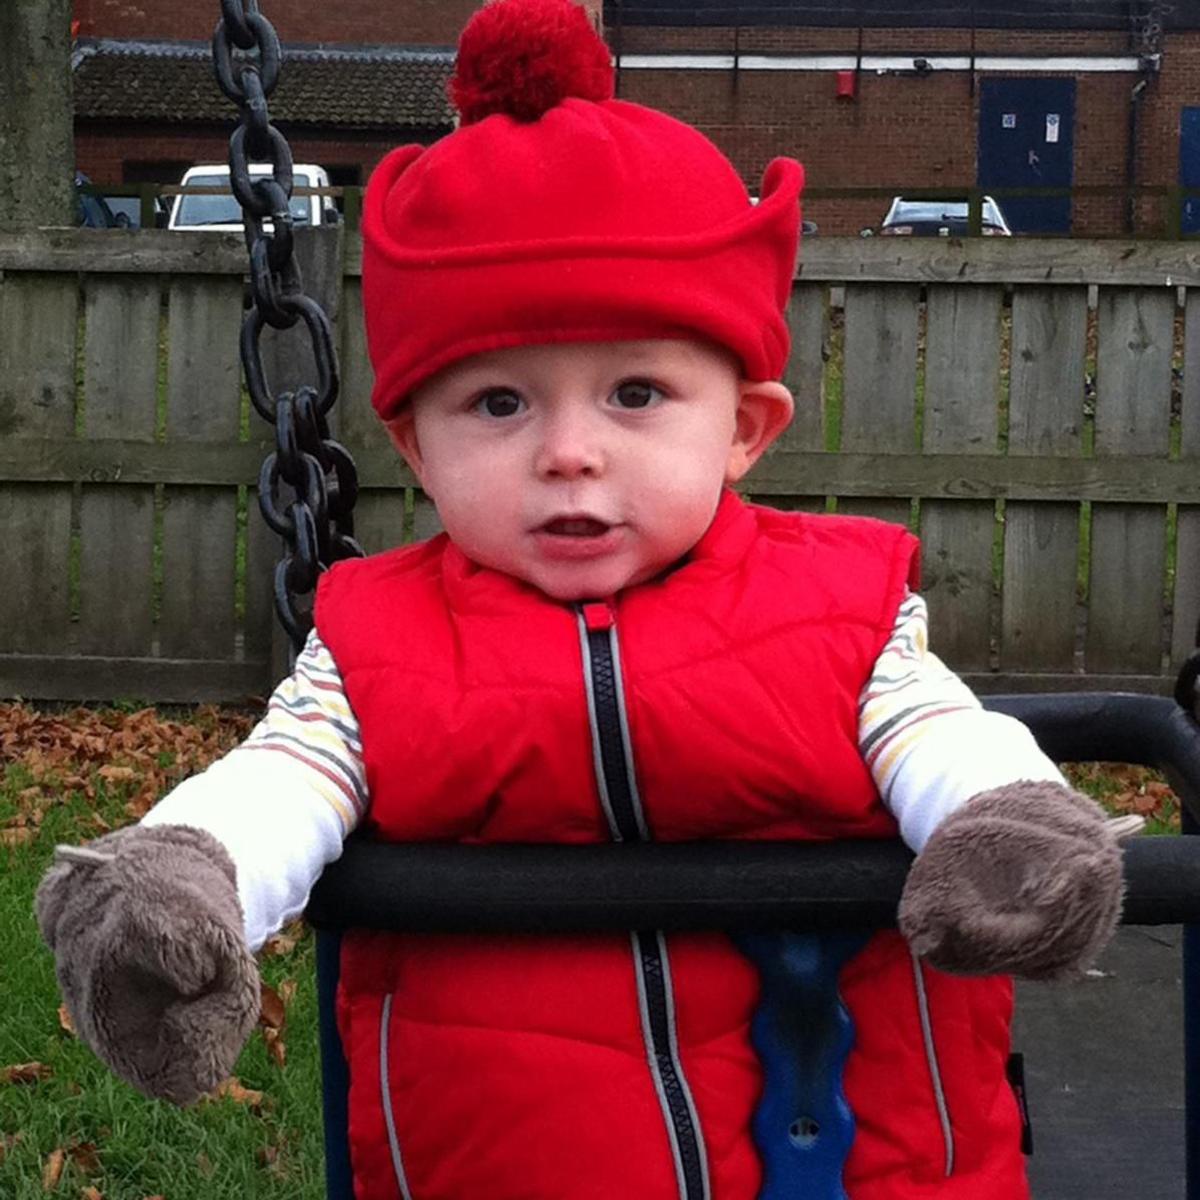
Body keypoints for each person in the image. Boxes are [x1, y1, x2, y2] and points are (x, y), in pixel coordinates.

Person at [37, 2, 1133, 1197]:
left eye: (636, 393)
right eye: (498, 405)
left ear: (746, 430)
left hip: (853, 1147)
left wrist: (1007, 816)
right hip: (509, 1161)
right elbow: (284, 781)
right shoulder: (378, 643)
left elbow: (935, 736)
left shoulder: (840, 604)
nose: (568, 452)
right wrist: (193, 871)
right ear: (417, 447)